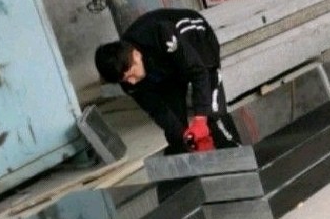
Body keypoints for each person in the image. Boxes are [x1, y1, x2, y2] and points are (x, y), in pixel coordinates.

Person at [94, 8, 240, 154]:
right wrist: (182, 134)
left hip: (196, 40)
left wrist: (201, 118)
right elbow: (157, 109)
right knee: (176, 134)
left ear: (136, 55)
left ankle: (236, 153)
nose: (131, 82)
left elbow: (199, 73)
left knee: (212, 115)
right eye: (125, 80)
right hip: (165, 65)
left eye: (131, 75)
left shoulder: (162, 34)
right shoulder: (124, 73)